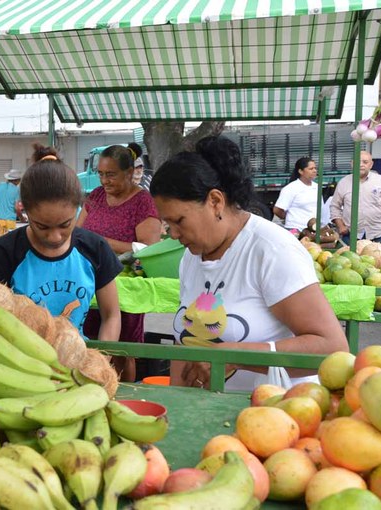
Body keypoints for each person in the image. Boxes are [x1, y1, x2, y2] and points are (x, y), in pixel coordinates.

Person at [149, 136, 348, 392]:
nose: (173, 234)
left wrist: (236, 355)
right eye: (167, 224)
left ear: (215, 201)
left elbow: (332, 348)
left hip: (277, 416)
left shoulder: (272, 249)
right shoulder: (191, 256)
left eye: (179, 221)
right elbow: (185, 343)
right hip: (210, 418)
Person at [0, 144, 122, 341]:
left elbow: (111, 315)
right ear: (24, 210)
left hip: (76, 362)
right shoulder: (2, 253)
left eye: (65, 224)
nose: (55, 237)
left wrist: (100, 361)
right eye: (42, 226)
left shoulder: (95, 248)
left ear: (78, 207)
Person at [77, 143, 161, 381]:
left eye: (111, 174)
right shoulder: (96, 196)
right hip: (90, 281)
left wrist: (101, 243)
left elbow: (148, 249)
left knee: (123, 351)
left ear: (128, 172)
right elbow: (76, 232)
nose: (104, 180)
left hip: (125, 286)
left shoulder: (142, 202)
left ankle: (125, 392)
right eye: (101, 174)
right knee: (91, 344)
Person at [329, 151, 381, 246]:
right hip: (350, 235)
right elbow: (334, 206)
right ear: (352, 164)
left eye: (365, 162)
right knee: (349, 260)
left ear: (371, 164)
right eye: (357, 162)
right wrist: (340, 226)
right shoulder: (343, 182)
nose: (361, 165)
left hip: (377, 235)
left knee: (380, 260)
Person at [273, 157, 325, 232]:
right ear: (301, 171)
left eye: (315, 168)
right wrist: (288, 218)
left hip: (314, 229)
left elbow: (321, 208)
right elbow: (277, 210)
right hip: (296, 229)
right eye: (311, 169)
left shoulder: (317, 187)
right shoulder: (291, 188)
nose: (314, 171)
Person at [0, 169, 22, 234]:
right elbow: (17, 208)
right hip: (10, 220)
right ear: (16, 180)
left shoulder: (0, 185)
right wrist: (21, 218)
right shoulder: (16, 190)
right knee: (9, 241)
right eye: (19, 180)